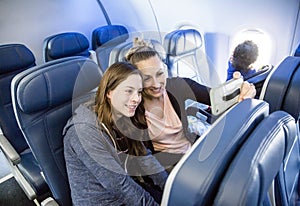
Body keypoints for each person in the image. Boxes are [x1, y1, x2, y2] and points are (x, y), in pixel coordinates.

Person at [125, 37, 256, 169]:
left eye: (159, 74)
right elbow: (146, 160)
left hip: (191, 150)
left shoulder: (177, 86)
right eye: (147, 78)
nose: (156, 84)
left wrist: (241, 89)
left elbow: (216, 98)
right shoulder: (134, 108)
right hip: (168, 165)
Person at [63, 61, 168, 206]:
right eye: (128, 91)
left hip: (125, 191)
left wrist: (170, 185)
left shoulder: (122, 115)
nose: (136, 99)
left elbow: (144, 157)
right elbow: (119, 186)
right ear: (109, 92)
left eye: (138, 92)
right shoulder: (83, 131)